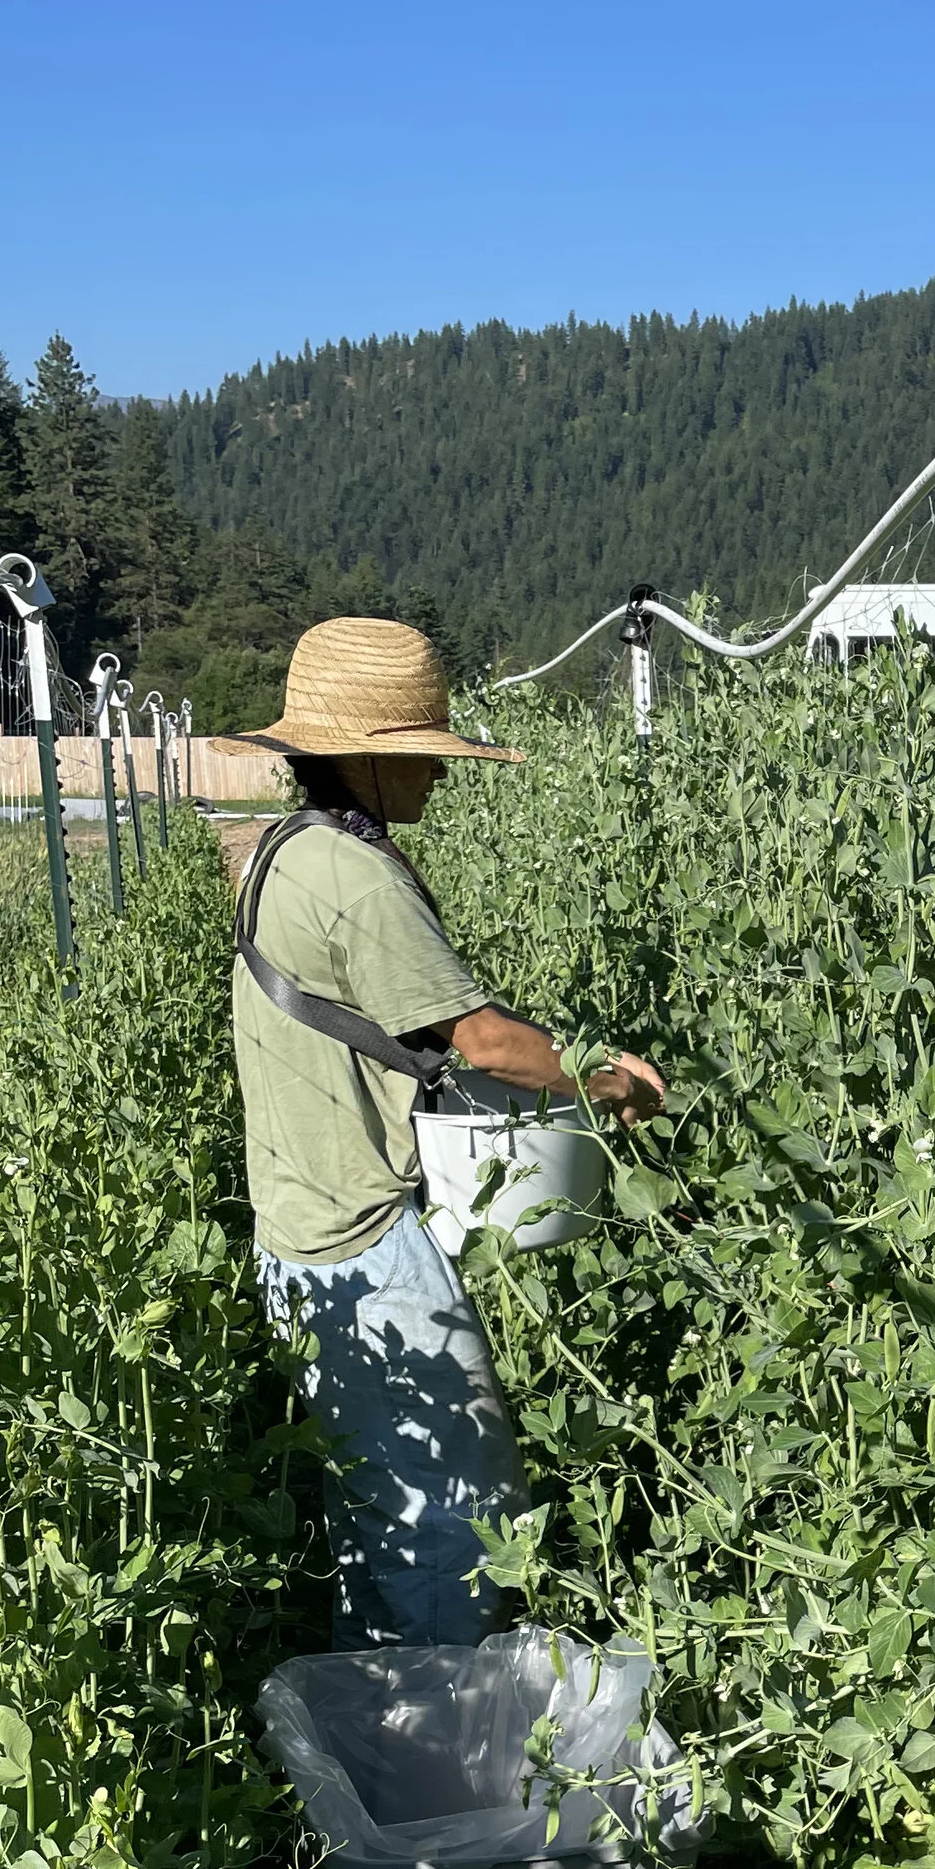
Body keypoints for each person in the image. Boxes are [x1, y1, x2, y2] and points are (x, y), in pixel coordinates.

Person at [229, 617, 664, 1647]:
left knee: (379, 1501)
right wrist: (610, 1079)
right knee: (459, 1506)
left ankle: (374, 1696)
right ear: (363, 759)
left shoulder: (288, 848)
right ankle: (442, 1713)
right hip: (359, 1237)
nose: (438, 770)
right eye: (422, 752)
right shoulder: (357, 879)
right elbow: (486, 1042)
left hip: (298, 1223)